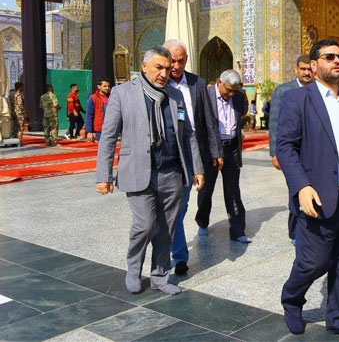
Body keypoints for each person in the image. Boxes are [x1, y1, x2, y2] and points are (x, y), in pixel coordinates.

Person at [277, 39, 339, 339]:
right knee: (314, 261)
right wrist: (302, 187)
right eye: (329, 56)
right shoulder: (298, 99)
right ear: (314, 64)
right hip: (319, 198)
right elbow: (285, 147)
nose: (337, 61)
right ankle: (292, 299)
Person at [95, 46, 204, 296]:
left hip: (171, 173)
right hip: (138, 171)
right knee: (144, 225)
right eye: (158, 67)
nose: (164, 73)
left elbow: (188, 135)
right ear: (144, 66)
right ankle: (134, 270)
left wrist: (197, 168)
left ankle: (159, 276)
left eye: (167, 68)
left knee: (167, 228)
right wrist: (103, 175)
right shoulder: (123, 93)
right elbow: (108, 137)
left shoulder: (175, 96)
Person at [164, 39, 222, 276]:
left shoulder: (197, 83)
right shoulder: (158, 82)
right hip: (168, 154)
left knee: (181, 206)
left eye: (181, 61)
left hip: (192, 153)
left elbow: (208, 119)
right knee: (170, 209)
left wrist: (215, 151)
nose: (176, 66)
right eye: (172, 61)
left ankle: (174, 249)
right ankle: (178, 254)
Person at [195, 69, 251, 242]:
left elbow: (242, 113)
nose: (231, 94)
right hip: (210, 150)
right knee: (206, 189)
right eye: (228, 90)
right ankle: (202, 222)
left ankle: (238, 231)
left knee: (233, 189)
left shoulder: (239, 96)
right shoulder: (206, 95)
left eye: (234, 90)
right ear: (219, 82)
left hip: (231, 148)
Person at [269, 55, 314, 245]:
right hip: (291, 151)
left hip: (313, 151)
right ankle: (295, 232)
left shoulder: (319, 89)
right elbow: (274, 123)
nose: (306, 73)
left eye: (309, 69)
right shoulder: (283, 91)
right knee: (295, 188)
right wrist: (275, 153)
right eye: (303, 69)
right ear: (296, 69)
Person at [85, 77, 112, 142]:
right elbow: (89, 115)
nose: (107, 88)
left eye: (108, 86)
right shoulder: (93, 98)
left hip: (112, 128)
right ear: (99, 87)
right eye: (105, 86)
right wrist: (89, 131)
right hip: (100, 130)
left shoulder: (113, 97)